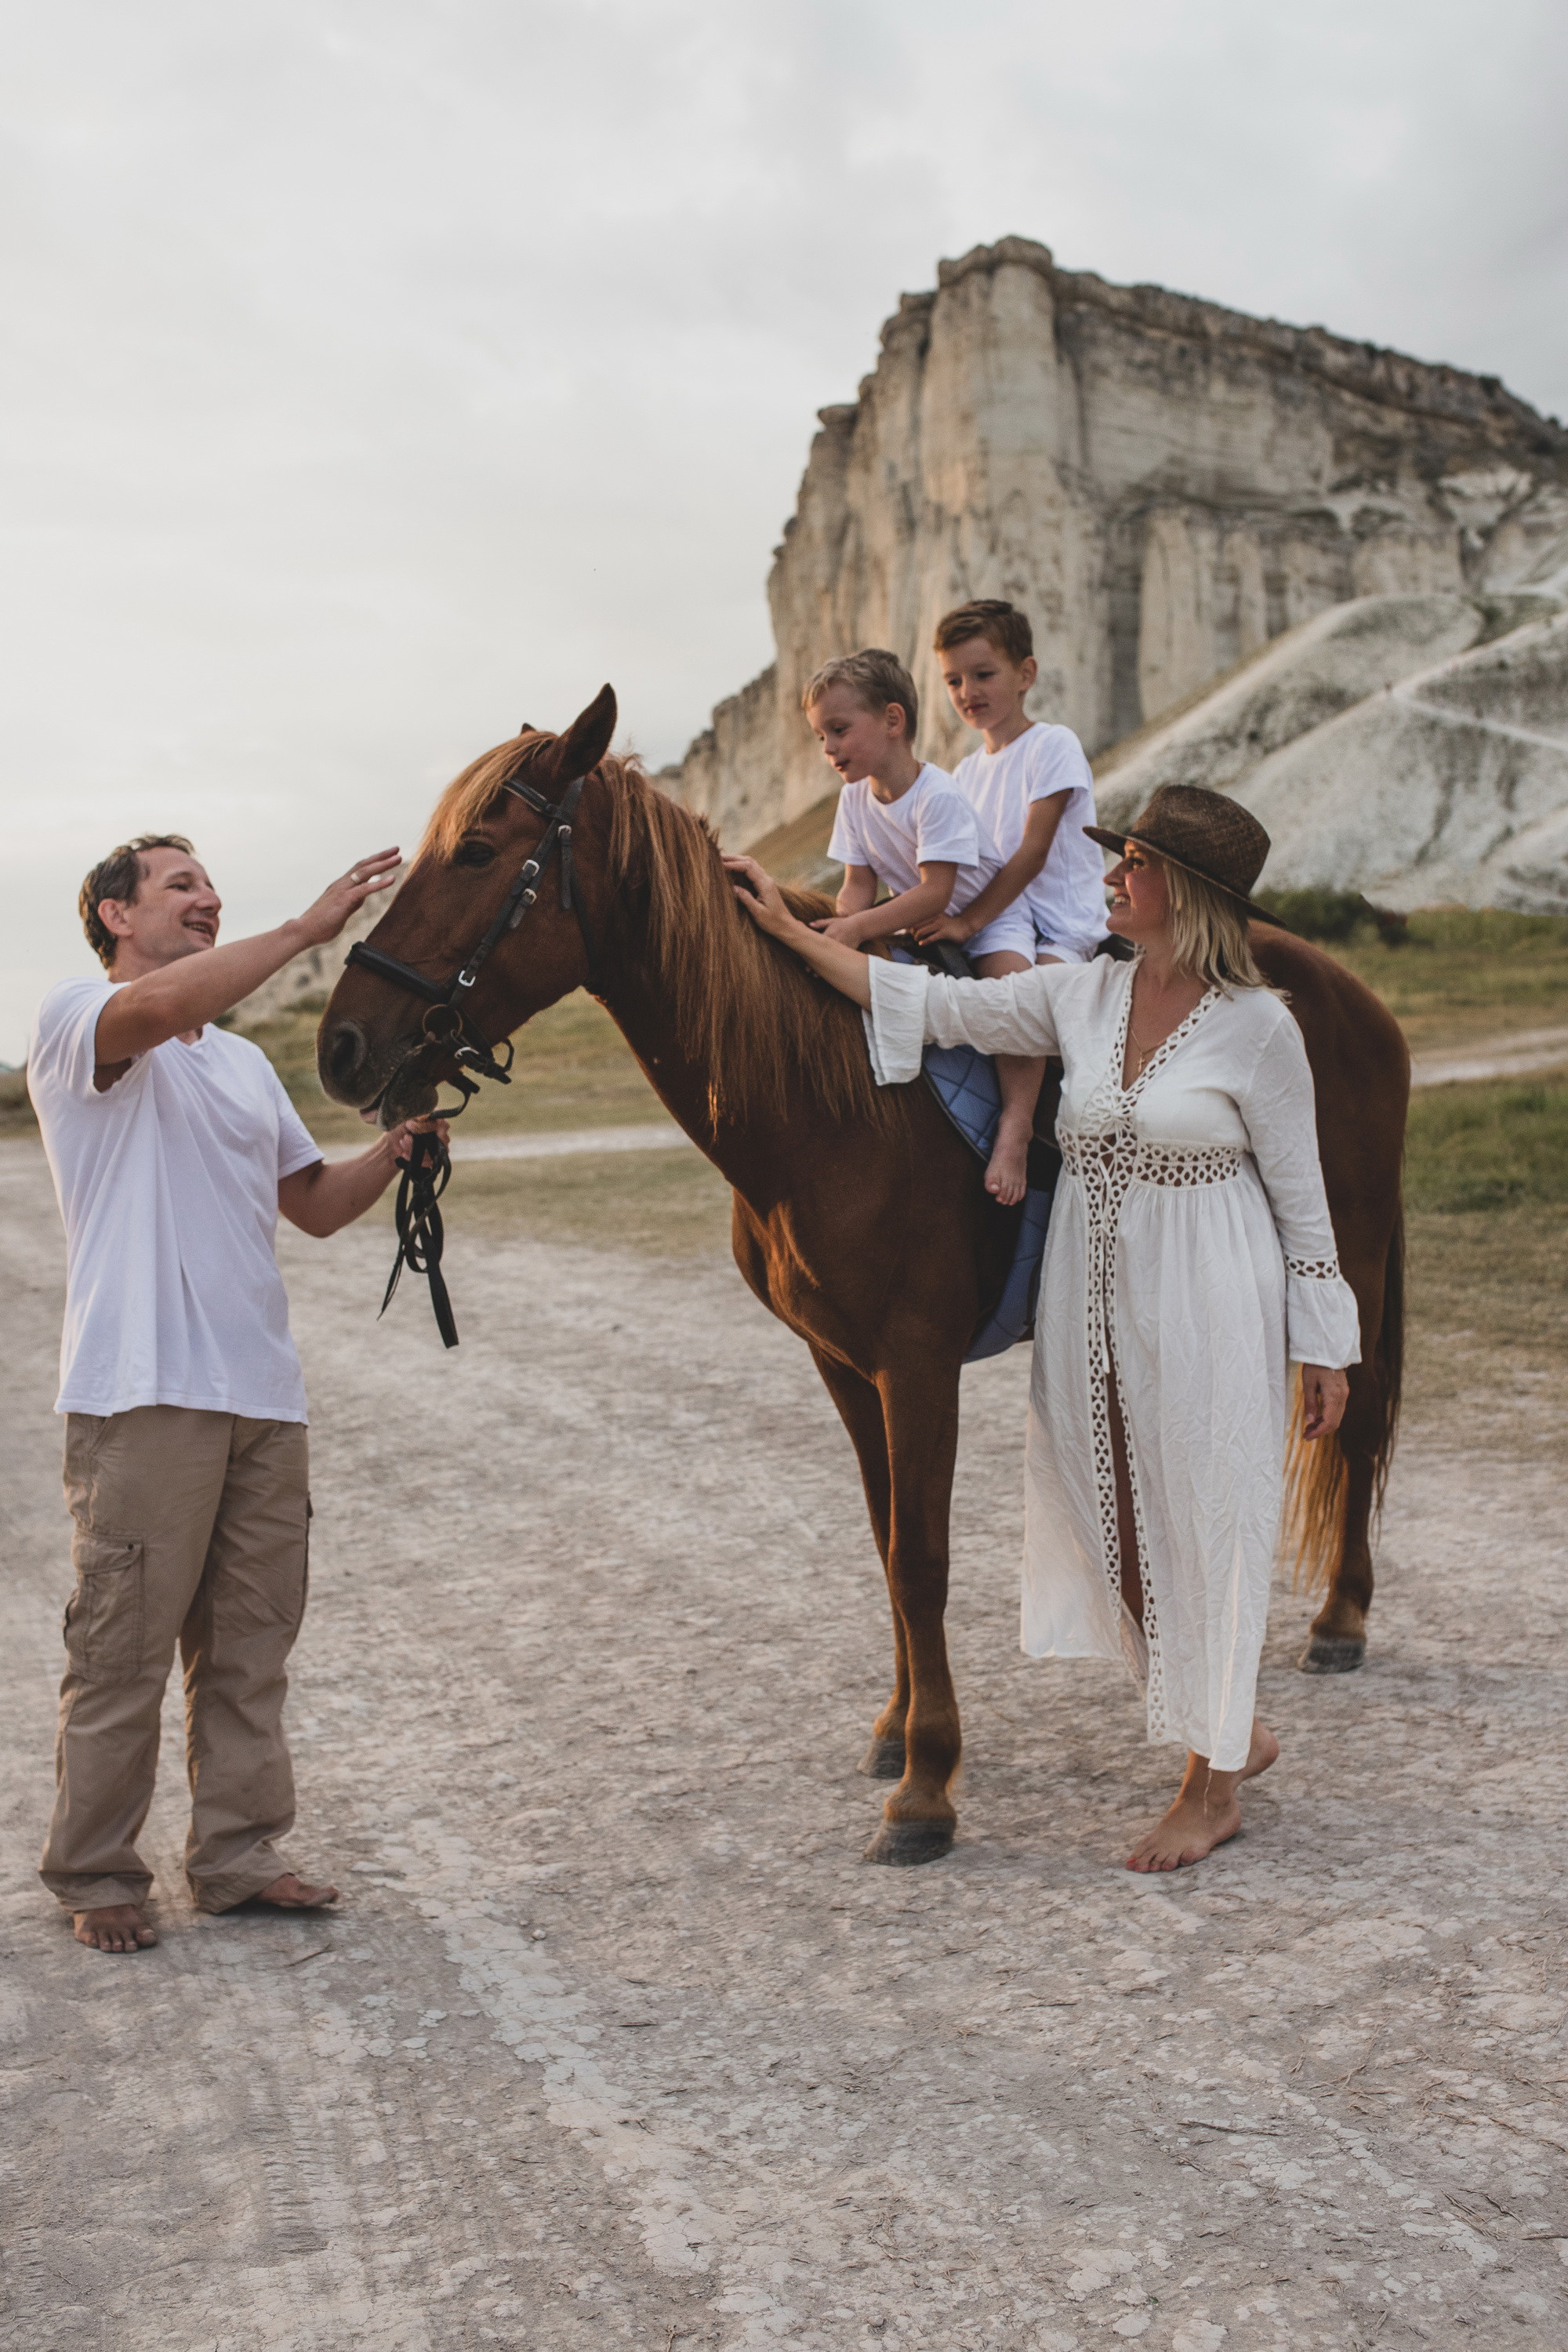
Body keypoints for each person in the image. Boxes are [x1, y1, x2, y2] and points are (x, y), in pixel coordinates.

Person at [724, 785, 1359, 1871]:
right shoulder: (1082, 995)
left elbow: (1302, 1199)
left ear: (1186, 893)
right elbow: (927, 1006)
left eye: (1134, 863)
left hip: (1211, 1288)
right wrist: (789, 931)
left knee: (1207, 1519)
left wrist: (1324, 1345)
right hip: (1093, 1294)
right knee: (1110, 1515)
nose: (1110, 875)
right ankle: (1229, 1723)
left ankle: (1210, 1789)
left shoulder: (1259, 1028)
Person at [27, 831, 439, 1953]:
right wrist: (308, 930)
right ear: (116, 915)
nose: (207, 897)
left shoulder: (245, 1065)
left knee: (252, 1645)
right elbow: (161, 1009)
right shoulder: (77, 1019)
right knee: (122, 1649)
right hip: (142, 1387)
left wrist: (395, 1152)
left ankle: (239, 1856)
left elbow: (312, 1204)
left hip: (262, 1391)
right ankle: (97, 1870)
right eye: (180, 885)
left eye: (211, 884)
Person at [806, 652, 1038, 1207]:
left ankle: (1017, 1128)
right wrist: (842, 929)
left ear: (893, 720)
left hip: (986, 919)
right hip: (917, 920)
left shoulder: (937, 794)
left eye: (839, 730)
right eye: (820, 737)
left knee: (1016, 1004)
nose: (829, 748)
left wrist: (857, 928)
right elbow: (857, 885)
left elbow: (937, 889)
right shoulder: (853, 799)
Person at [915, 599, 1108, 1205]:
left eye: (983, 674)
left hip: (1062, 922)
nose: (967, 692)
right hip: (1005, 919)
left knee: (1022, 1000)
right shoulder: (964, 773)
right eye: (953, 680)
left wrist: (969, 919)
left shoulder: (1053, 745)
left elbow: (1032, 852)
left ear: (1026, 674)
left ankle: (1017, 1128)